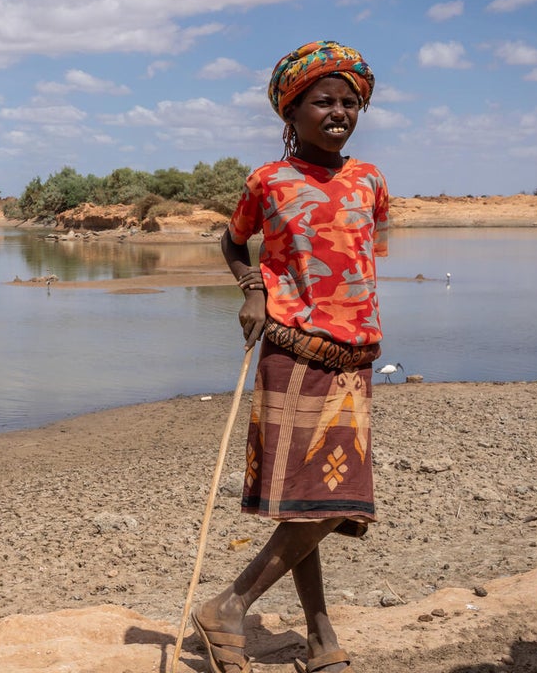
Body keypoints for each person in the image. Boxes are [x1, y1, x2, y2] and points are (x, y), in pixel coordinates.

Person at [190, 41, 389, 673]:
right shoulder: (268, 181)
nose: (339, 112)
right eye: (324, 101)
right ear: (292, 112)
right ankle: (237, 609)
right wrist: (252, 288)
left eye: (349, 102)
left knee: (322, 502)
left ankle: (312, 633)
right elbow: (232, 242)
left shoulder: (370, 180)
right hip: (293, 351)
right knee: (320, 501)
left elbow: (365, 256)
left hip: (355, 358)